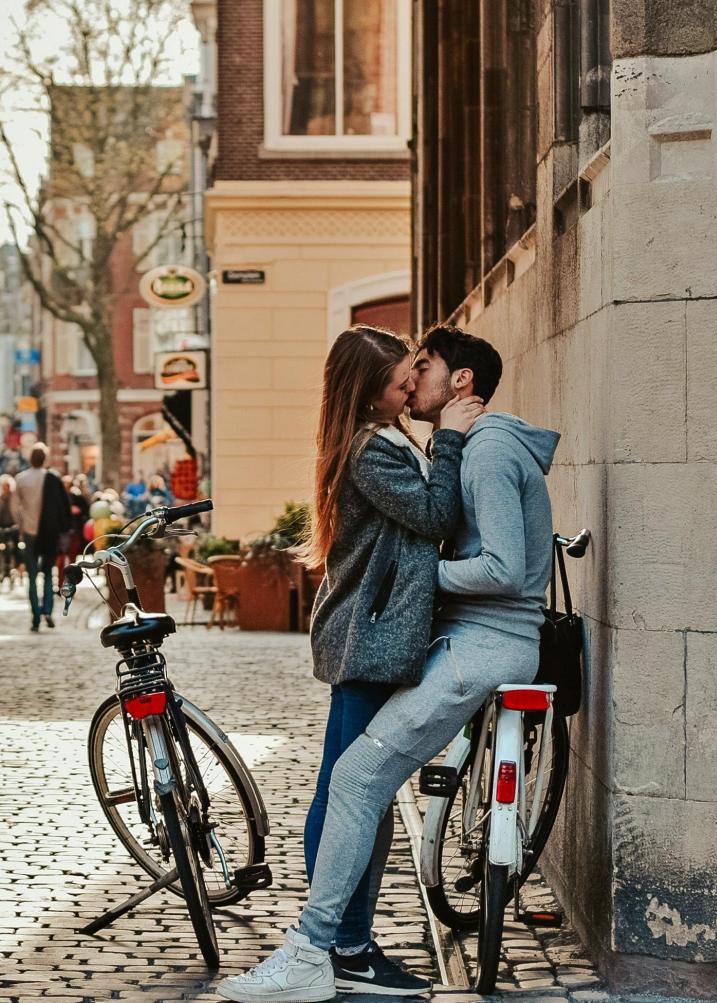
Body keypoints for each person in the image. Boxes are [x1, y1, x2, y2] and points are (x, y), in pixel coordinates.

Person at [217, 325, 487, 1003]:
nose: (410, 382)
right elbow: (434, 513)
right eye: (400, 375)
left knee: (350, 787)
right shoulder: (371, 450)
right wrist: (451, 437)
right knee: (349, 791)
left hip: (373, 640)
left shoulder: (385, 437)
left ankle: (344, 939)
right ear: (368, 391)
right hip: (368, 644)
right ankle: (344, 943)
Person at [11, 442, 72, 632]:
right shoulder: (52, 478)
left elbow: (14, 508)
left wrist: (22, 525)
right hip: (49, 533)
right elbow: (64, 507)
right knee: (47, 574)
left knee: (31, 576)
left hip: (29, 532)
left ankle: (35, 617)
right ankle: (47, 610)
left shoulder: (21, 479)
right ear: (45, 459)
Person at [0, 474, 21, 591]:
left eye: (8, 486)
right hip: (1, 529)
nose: (6, 488)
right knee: (0, 552)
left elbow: (19, 512)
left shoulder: (15, 498)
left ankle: (15, 572)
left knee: (15, 550)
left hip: (13, 528)